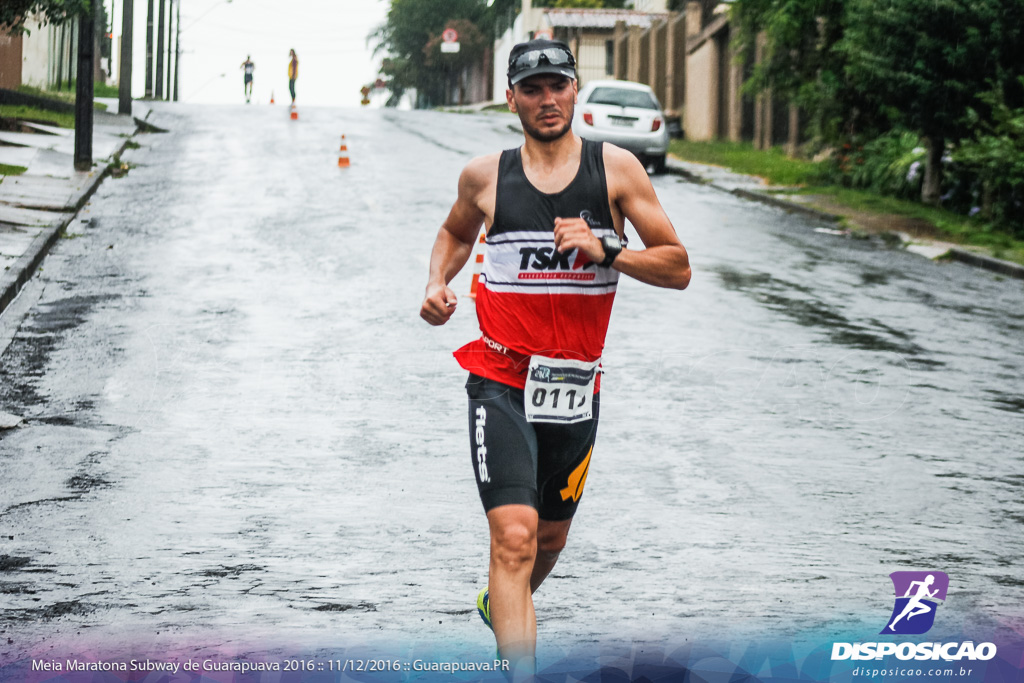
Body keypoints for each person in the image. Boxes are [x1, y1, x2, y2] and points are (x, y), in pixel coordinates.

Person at [419, 38, 690, 680]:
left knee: (548, 540)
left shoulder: (617, 171)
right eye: (533, 89)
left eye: (558, 85)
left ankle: (501, 602)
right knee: (513, 536)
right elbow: (456, 232)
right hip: (499, 376)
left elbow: (678, 267)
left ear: (575, 90)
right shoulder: (486, 176)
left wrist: (610, 251)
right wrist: (437, 283)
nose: (547, 99)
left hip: (572, 383)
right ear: (511, 98)